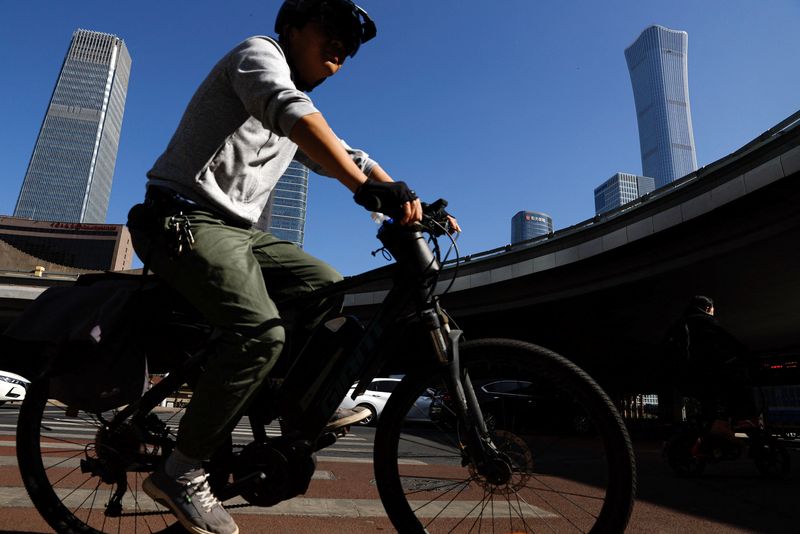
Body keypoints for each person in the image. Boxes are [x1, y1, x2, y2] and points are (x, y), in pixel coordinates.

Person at [127, 2, 459, 533]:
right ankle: (180, 470)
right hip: (181, 217)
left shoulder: (292, 121)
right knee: (261, 333)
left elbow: (351, 154)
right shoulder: (258, 55)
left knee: (326, 285)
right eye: (332, 31)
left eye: (350, 47)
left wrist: (410, 201)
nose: (341, 49)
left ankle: (287, 400)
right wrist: (369, 191)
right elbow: (293, 111)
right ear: (293, 27)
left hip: (239, 235)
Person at [666, 296, 756, 443]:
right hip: (700, 374)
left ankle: (707, 436)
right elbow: (728, 341)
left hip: (681, 377)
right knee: (735, 386)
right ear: (708, 309)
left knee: (710, 403)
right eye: (713, 310)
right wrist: (747, 355)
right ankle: (732, 425)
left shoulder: (679, 324)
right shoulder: (704, 321)